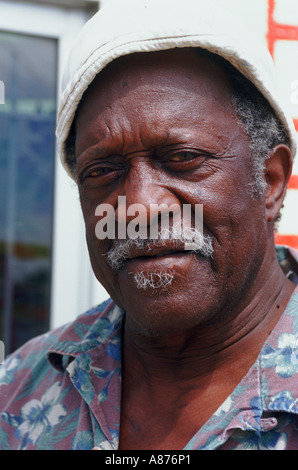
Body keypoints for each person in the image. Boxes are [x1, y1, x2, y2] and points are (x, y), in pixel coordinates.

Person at [0, 0, 298, 451]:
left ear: (270, 181)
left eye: (182, 159)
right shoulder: (20, 393)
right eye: (103, 171)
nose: (139, 207)